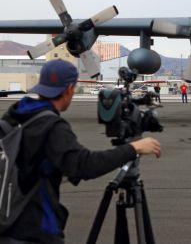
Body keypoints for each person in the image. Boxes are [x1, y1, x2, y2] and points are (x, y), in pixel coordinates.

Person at [0, 59, 161, 244]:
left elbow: (30, 161)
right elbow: (84, 166)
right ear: (69, 88)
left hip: (6, 221)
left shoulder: (14, 116)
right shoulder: (52, 126)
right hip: (35, 230)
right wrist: (134, 148)